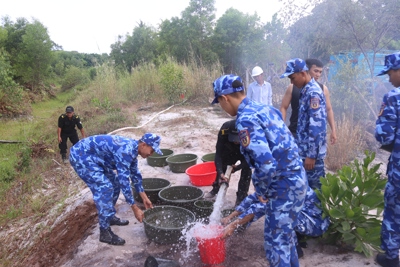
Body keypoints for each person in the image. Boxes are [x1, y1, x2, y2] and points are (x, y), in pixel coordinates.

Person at [211, 74, 307, 267]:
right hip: (297, 180)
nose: (222, 107)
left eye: (220, 102)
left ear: (225, 98)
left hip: (281, 187)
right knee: (287, 241)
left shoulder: (245, 120)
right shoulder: (265, 109)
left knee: (276, 248)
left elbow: (266, 164)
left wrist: (262, 192)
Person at [69, 133, 161, 246]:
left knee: (115, 184)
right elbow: (125, 181)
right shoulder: (126, 151)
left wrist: (144, 198)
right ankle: (104, 231)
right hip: (81, 156)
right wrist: (134, 208)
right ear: (143, 145)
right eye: (151, 151)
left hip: (95, 157)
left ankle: (109, 217)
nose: (151, 154)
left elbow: (135, 175)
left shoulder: (133, 150)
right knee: (105, 188)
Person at [221, 186, 330, 258]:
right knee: (279, 211)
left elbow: (260, 207)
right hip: (303, 216)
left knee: (277, 213)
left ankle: (295, 250)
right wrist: (229, 217)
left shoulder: (284, 184)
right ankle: (297, 239)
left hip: (315, 223)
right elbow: (252, 198)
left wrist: (233, 225)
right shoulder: (273, 180)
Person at [280, 58, 327, 190]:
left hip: (311, 157)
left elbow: (317, 126)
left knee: (315, 195)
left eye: (293, 78)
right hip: (304, 152)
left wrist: (311, 155)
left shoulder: (313, 93)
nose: (292, 82)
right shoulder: (305, 90)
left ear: (302, 73)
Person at [374, 52, 400, 267]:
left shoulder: (393, 97)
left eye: (390, 73)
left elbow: (384, 136)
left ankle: (391, 258)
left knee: (393, 210)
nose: (389, 78)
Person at [280, 58, 337, 144]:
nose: (318, 74)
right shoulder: (293, 87)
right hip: (294, 132)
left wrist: (333, 130)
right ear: (307, 70)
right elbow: (283, 107)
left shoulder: (320, 90)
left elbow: (328, 110)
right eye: (316, 71)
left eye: (320, 72)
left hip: (309, 138)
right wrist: (281, 127)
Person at [204, 119, 252, 206]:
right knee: (222, 166)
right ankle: (216, 188)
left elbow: (251, 159)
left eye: (237, 139)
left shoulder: (250, 132)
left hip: (245, 151)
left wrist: (238, 167)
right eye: (234, 139)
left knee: (247, 171)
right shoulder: (224, 130)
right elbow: (218, 154)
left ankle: (241, 197)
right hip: (230, 149)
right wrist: (221, 172)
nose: (236, 141)